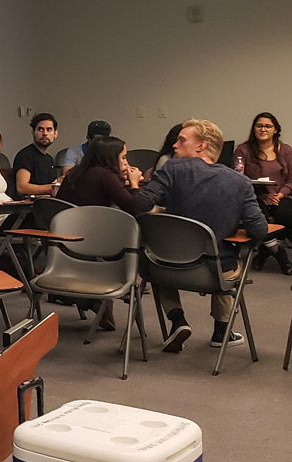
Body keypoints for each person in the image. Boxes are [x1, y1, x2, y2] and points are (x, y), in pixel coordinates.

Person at [138, 119, 273, 352]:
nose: (174, 145)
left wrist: (133, 186)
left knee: (153, 256)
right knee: (232, 255)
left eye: (181, 140)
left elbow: (141, 203)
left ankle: (177, 320)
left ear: (201, 146)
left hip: (165, 268)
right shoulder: (240, 183)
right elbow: (259, 230)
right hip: (213, 273)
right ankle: (221, 330)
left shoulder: (170, 169)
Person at [233, 112, 292, 274]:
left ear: (275, 130)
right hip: (253, 196)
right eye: (259, 126)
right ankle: (280, 256)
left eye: (268, 126)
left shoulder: (286, 151)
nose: (263, 129)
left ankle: (266, 250)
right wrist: (261, 196)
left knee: (288, 215)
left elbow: (291, 180)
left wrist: (280, 195)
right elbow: (238, 178)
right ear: (254, 129)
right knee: (258, 220)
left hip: (280, 196)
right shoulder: (242, 150)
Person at [56, 136, 144, 215]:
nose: (126, 163)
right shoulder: (106, 175)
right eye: (123, 158)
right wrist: (134, 183)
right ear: (111, 157)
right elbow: (135, 208)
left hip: (64, 225)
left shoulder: (76, 171)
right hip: (89, 227)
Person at [13, 113, 59, 197]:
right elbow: (22, 188)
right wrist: (53, 188)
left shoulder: (49, 158)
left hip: (50, 202)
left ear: (55, 134)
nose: (45, 133)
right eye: (40, 129)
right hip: (32, 206)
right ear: (33, 132)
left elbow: (50, 183)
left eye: (49, 129)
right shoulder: (25, 155)